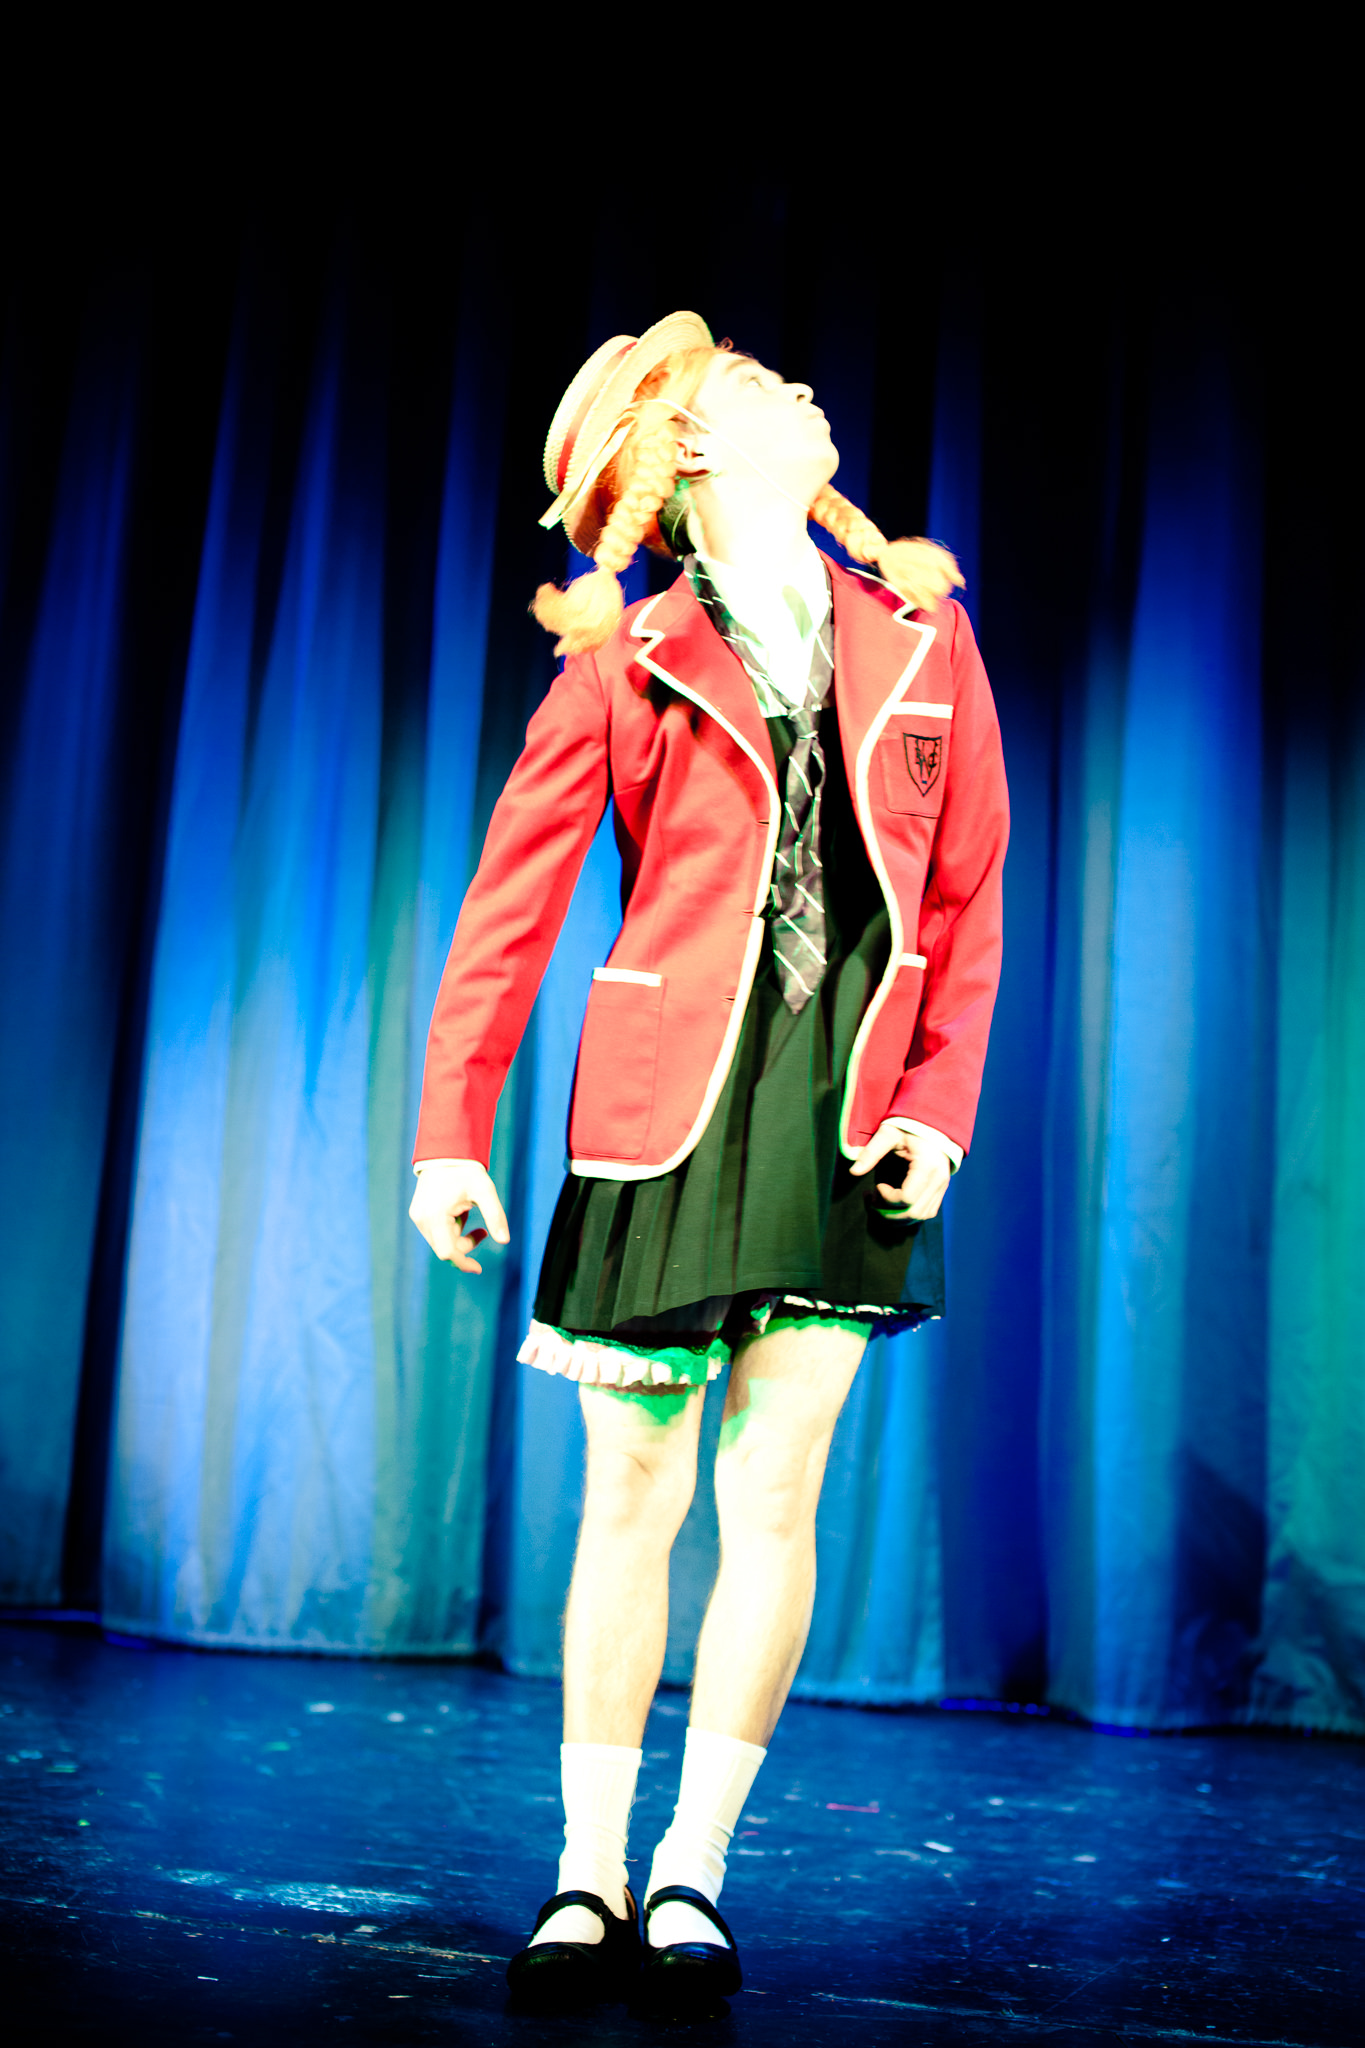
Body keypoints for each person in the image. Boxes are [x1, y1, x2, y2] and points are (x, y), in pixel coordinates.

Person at [408, 312, 1009, 2011]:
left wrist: (937, 1109)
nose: (807, 390)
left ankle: (692, 1868)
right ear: (688, 448)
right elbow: (509, 907)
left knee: (777, 1490)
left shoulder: (922, 635)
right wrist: (450, 1131)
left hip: (843, 1110)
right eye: (761, 386)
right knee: (634, 1489)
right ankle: (586, 1869)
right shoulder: (630, 657)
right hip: (663, 1107)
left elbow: (967, 896)